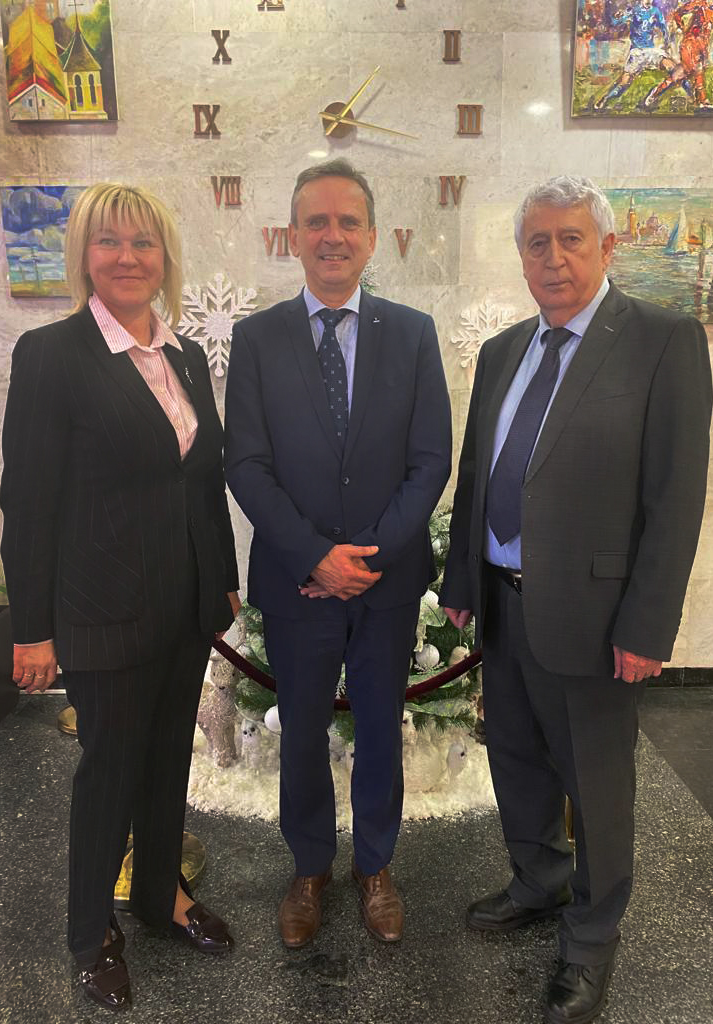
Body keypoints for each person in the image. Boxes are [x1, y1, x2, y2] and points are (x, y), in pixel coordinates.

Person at [440, 176, 712, 1024]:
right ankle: (538, 881)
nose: (553, 257)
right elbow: (478, 473)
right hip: (503, 604)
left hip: (596, 620)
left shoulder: (662, 340)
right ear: (521, 254)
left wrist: (648, 624)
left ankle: (591, 938)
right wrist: (461, 580)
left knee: (596, 785)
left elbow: (675, 497)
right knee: (516, 758)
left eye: (570, 239)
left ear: (607, 246)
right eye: (537, 242)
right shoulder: (502, 351)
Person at [0, 184, 241, 1012]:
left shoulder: (183, 355)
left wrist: (223, 579)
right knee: (110, 769)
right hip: (102, 608)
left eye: (144, 243)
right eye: (109, 242)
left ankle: (159, 894)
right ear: (84, 255)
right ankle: (89, 930)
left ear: (166, 258)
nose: (128, 257)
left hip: (185, 603)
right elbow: (28, 501)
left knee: (169, 757)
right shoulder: (52, 354)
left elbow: (202, 480)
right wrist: (32, 629)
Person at [225, 159, 452, 948]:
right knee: (301, 734)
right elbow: (246, 463)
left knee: (382, 728)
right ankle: (309, 869)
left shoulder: (413, 334)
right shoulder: (256, 339)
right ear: (293, 236)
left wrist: (369, 558)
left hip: (386, 587)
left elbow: (431, 459)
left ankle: (376, 867)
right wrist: (317, 557)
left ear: (372, 236)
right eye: (316, 221)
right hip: (298, 584)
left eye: (347, 221)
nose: (332, 236)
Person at [642, 0, 713, 110]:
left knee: (679, 74)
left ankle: (655, 93)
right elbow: (678, 13)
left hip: (702, 46)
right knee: (697, 69)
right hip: (690, 44)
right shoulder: (699, 3)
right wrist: (682, 27)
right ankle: (703, 101)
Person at [593, 0, 676, 111]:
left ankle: (654, 94)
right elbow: (616, 22)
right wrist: (616, 17)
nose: (648, 1)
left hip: (651, 50)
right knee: (624, 83)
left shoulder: (655, 11)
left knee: (674, 69)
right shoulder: (634, 10)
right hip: (637, 52)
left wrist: (667, 41)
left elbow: (663, 26)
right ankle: (605, 98)